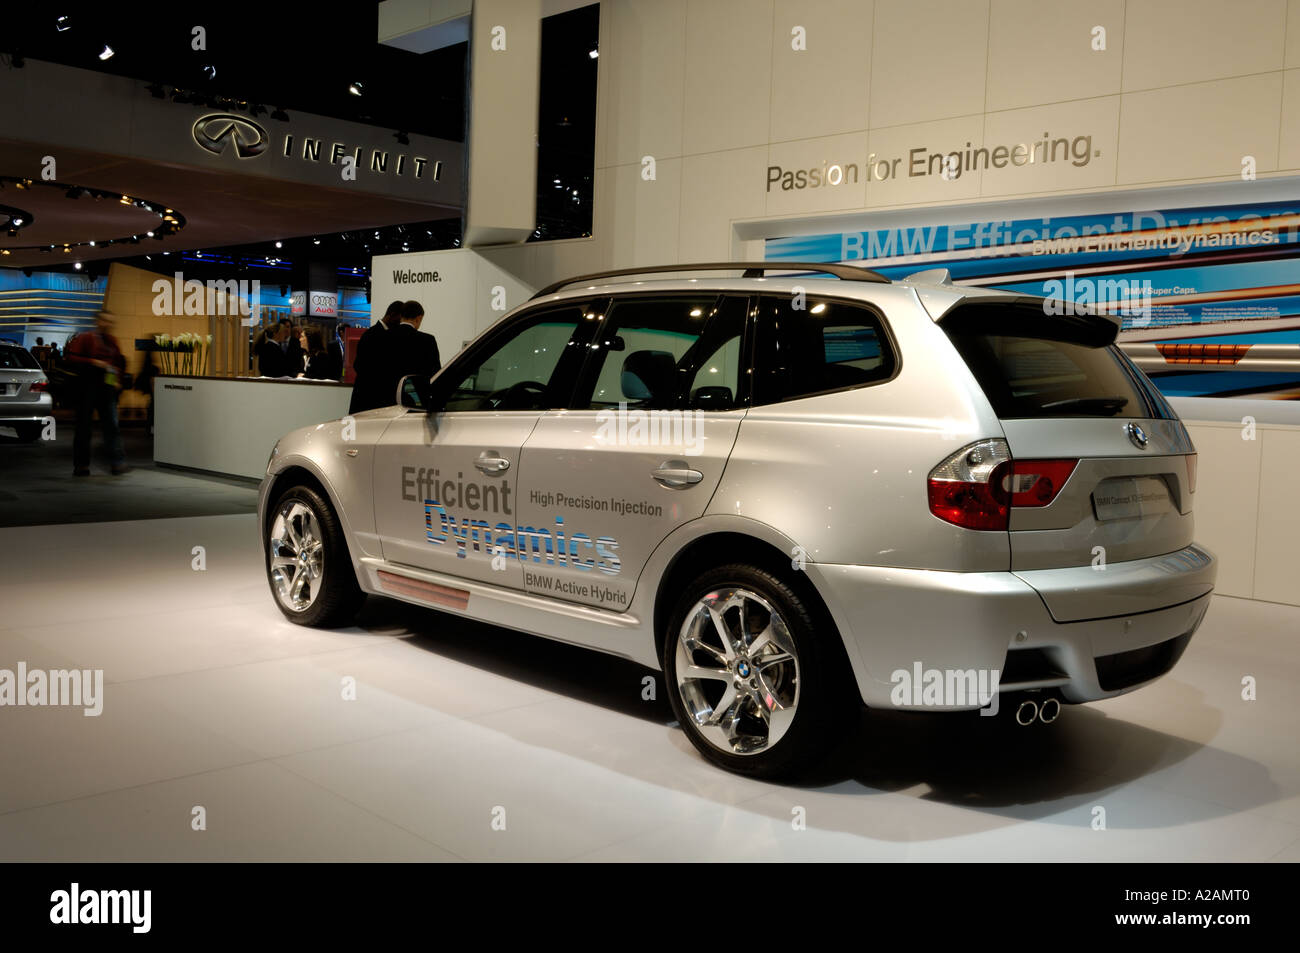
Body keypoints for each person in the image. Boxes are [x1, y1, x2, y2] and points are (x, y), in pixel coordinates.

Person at [65, 312, 128, 475]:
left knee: (112, 426)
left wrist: (117, 381)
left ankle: (116, 462)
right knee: (84, 427)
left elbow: (117, 363)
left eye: (111, 321)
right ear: (98, 321)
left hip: (107, 388)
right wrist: (94, 362)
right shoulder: (86, 338)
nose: (109, 324)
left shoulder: (112, 341)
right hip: (87, 387)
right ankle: (81, 465)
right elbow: (71, 357)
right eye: (106, 320)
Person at [347, 300, 404, 414]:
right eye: (400, 319)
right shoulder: (372, 334)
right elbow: (359, 365)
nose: (401, 323)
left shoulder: (379, 333)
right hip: (368, 398)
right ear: (392, 315)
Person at [389, 300, 441, 399]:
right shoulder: (427, 340)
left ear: (401, 316)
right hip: (416, 399)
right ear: (418, 318)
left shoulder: (383, 337)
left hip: (386, 398)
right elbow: (435, 372)